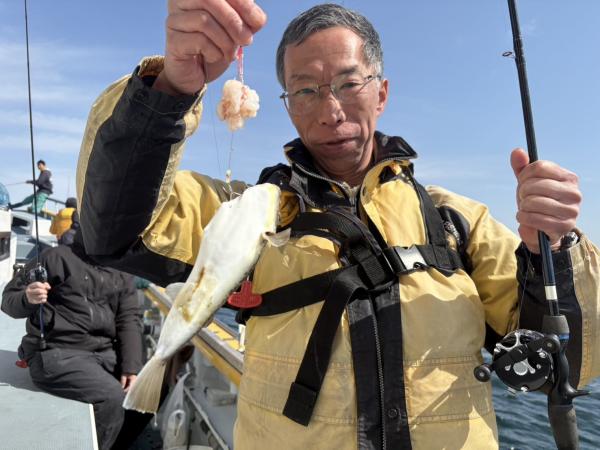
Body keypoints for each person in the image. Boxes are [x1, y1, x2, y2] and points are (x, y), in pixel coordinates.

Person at [75, 3, 600, 449]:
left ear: (382, 93)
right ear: (286, 106)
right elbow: (114, 230)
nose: (330, 112)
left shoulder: (457, 221)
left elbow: (570, 364)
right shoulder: (252, 210)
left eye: (349, 84)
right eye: (305, 91)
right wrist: (168, 90)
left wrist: (553, 250)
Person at [1, 232, 147, 450]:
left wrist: (132, 367)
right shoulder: (54, 257)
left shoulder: (122, 271)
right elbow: (8, 301)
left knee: (148, 388)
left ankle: (117, 442)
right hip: (55, 353)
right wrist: (27, 297)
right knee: (111, 396)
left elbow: (128, 319)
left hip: (103, 353)